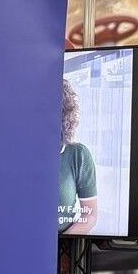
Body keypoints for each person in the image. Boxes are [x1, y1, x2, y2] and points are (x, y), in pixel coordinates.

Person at [60, 78, 99, 234]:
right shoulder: (14, 151)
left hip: (63, 251)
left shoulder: (78, 154)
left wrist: (62, 244)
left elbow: (89, 215)